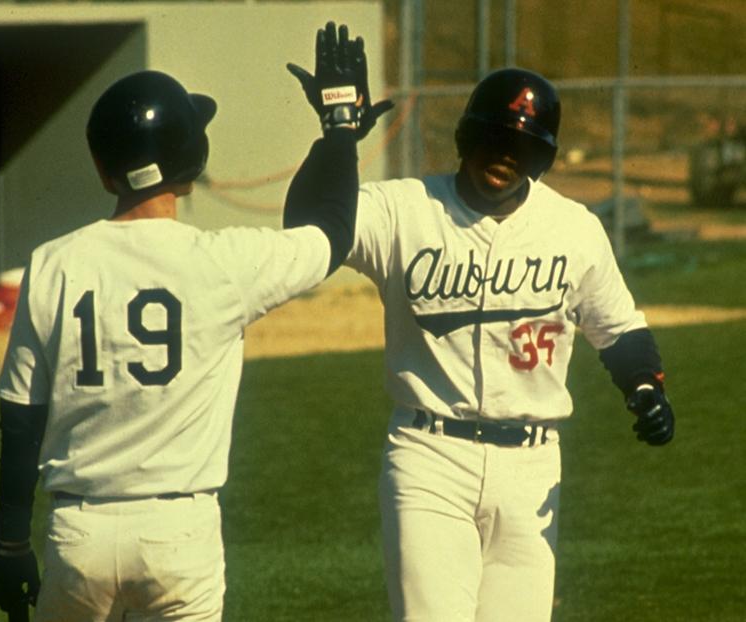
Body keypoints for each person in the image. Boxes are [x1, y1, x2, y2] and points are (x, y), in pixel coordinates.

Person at [285, 57, 675, 621]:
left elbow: (619, 329)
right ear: (468, 137)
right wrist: (338, 134)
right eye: (494, 139)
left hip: (533, 470)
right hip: (430, 456)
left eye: (523, 147)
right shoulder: (404, 209)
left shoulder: (573, 228)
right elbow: (310, 225)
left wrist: (646, 387)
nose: (505, 157)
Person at [0, 57, 365, 621]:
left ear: (102, 166)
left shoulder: (53, 264)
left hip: (79, 534)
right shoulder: (225, 263)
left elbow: (21, 418)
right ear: (192, 158)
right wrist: (339, 126)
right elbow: (330, 234)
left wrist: (12, 543)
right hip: (179, 535)